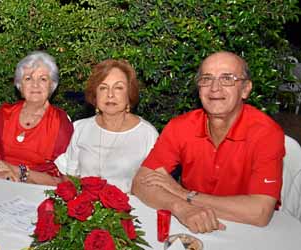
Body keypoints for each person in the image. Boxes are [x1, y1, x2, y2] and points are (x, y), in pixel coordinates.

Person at [132, 51, 285, 233]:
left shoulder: (266, 133)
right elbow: (140, 182)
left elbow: (259, 213)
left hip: (247, 231)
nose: (214, 88)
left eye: (227, 78)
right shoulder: (180, 126)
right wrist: (181, 207)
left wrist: (184, 194)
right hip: (192, 223)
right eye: (206, 79)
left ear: (245, 89)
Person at [55, 59, 159, 192]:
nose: (110, 95)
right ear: (95, 95)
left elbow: (155, 186)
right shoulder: (80, 128)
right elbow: (69, 176)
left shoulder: (147, 134)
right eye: (103, 88)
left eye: (118, 88)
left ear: (129, 94)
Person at [0, 51, 73, 185]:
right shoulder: (5, 114)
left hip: (38, 192)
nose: (35, 84)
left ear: (52, 86)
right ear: (20, 86)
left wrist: (18, 172)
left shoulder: (60, 123)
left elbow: (63, 180)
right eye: (28, 78)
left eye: (43, 79)